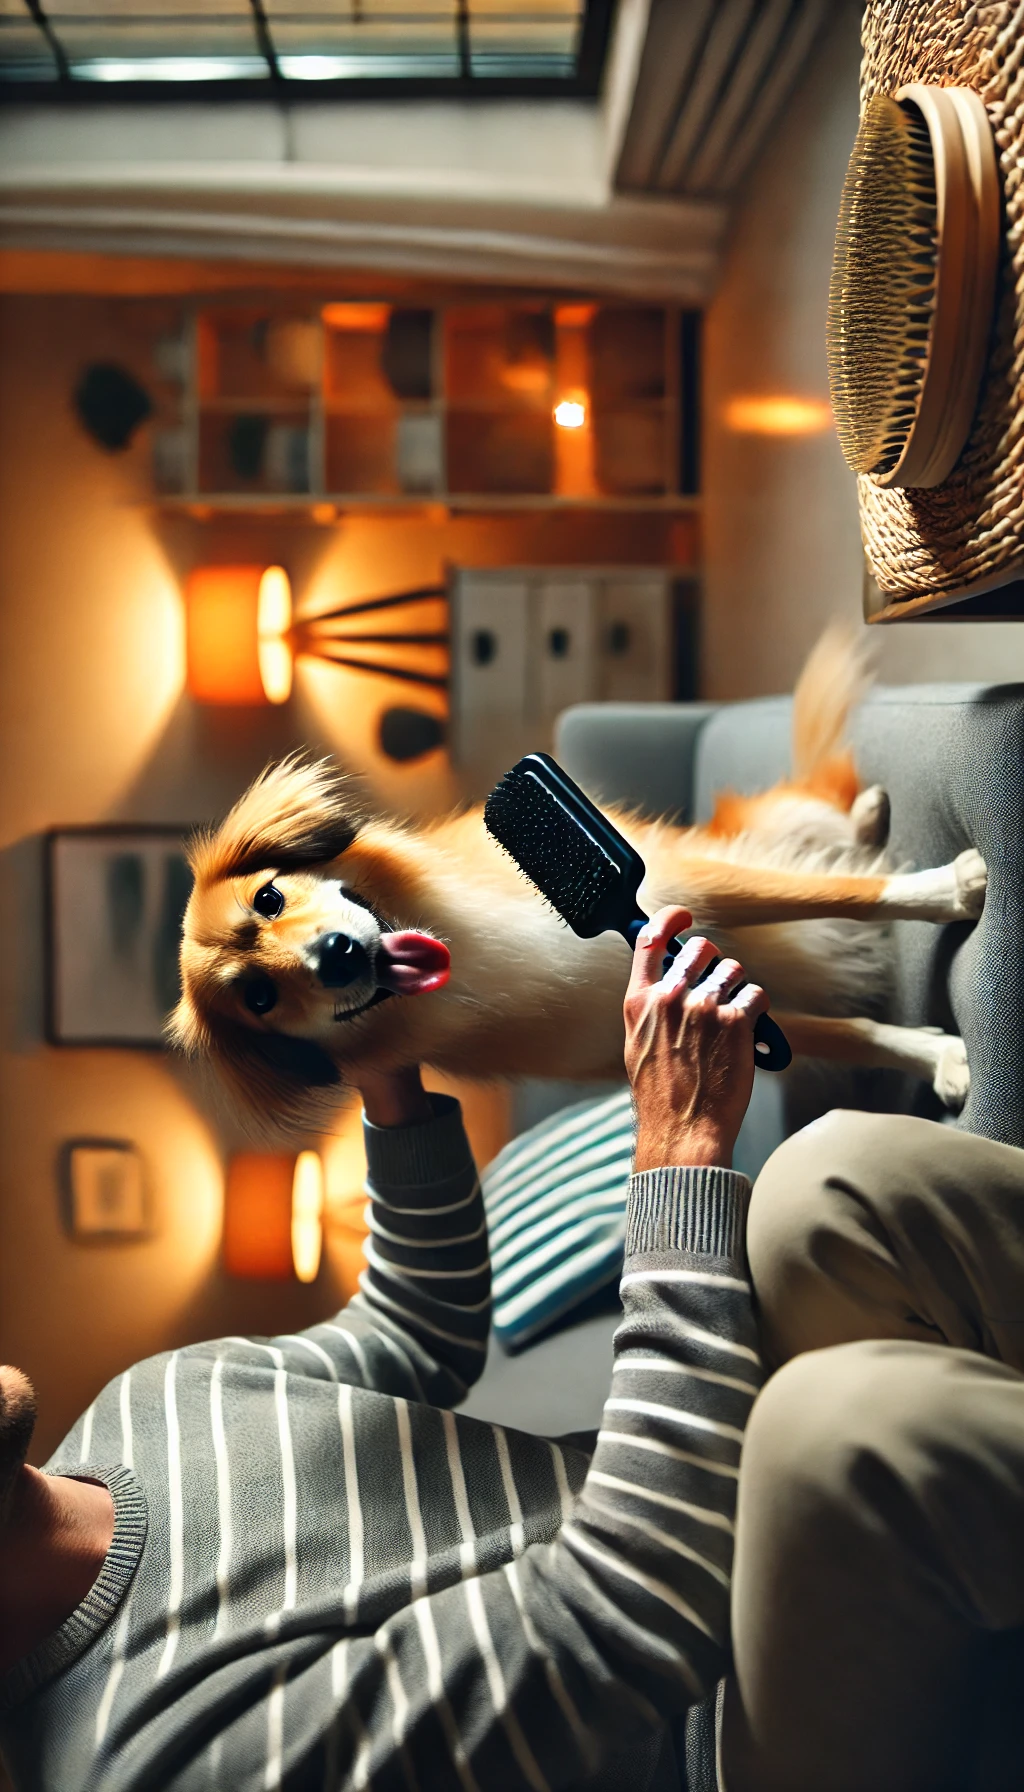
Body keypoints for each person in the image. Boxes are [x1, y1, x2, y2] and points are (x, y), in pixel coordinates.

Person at [0, 910, 768, 1792]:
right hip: (727, 1702)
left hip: (731, 1489)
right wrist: (675, 1156)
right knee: (871, 1419)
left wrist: (384, 1078)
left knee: (835, 1188)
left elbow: (413, 1334)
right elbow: (627, 1609)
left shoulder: (140, 1407)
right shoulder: (146, 1760)